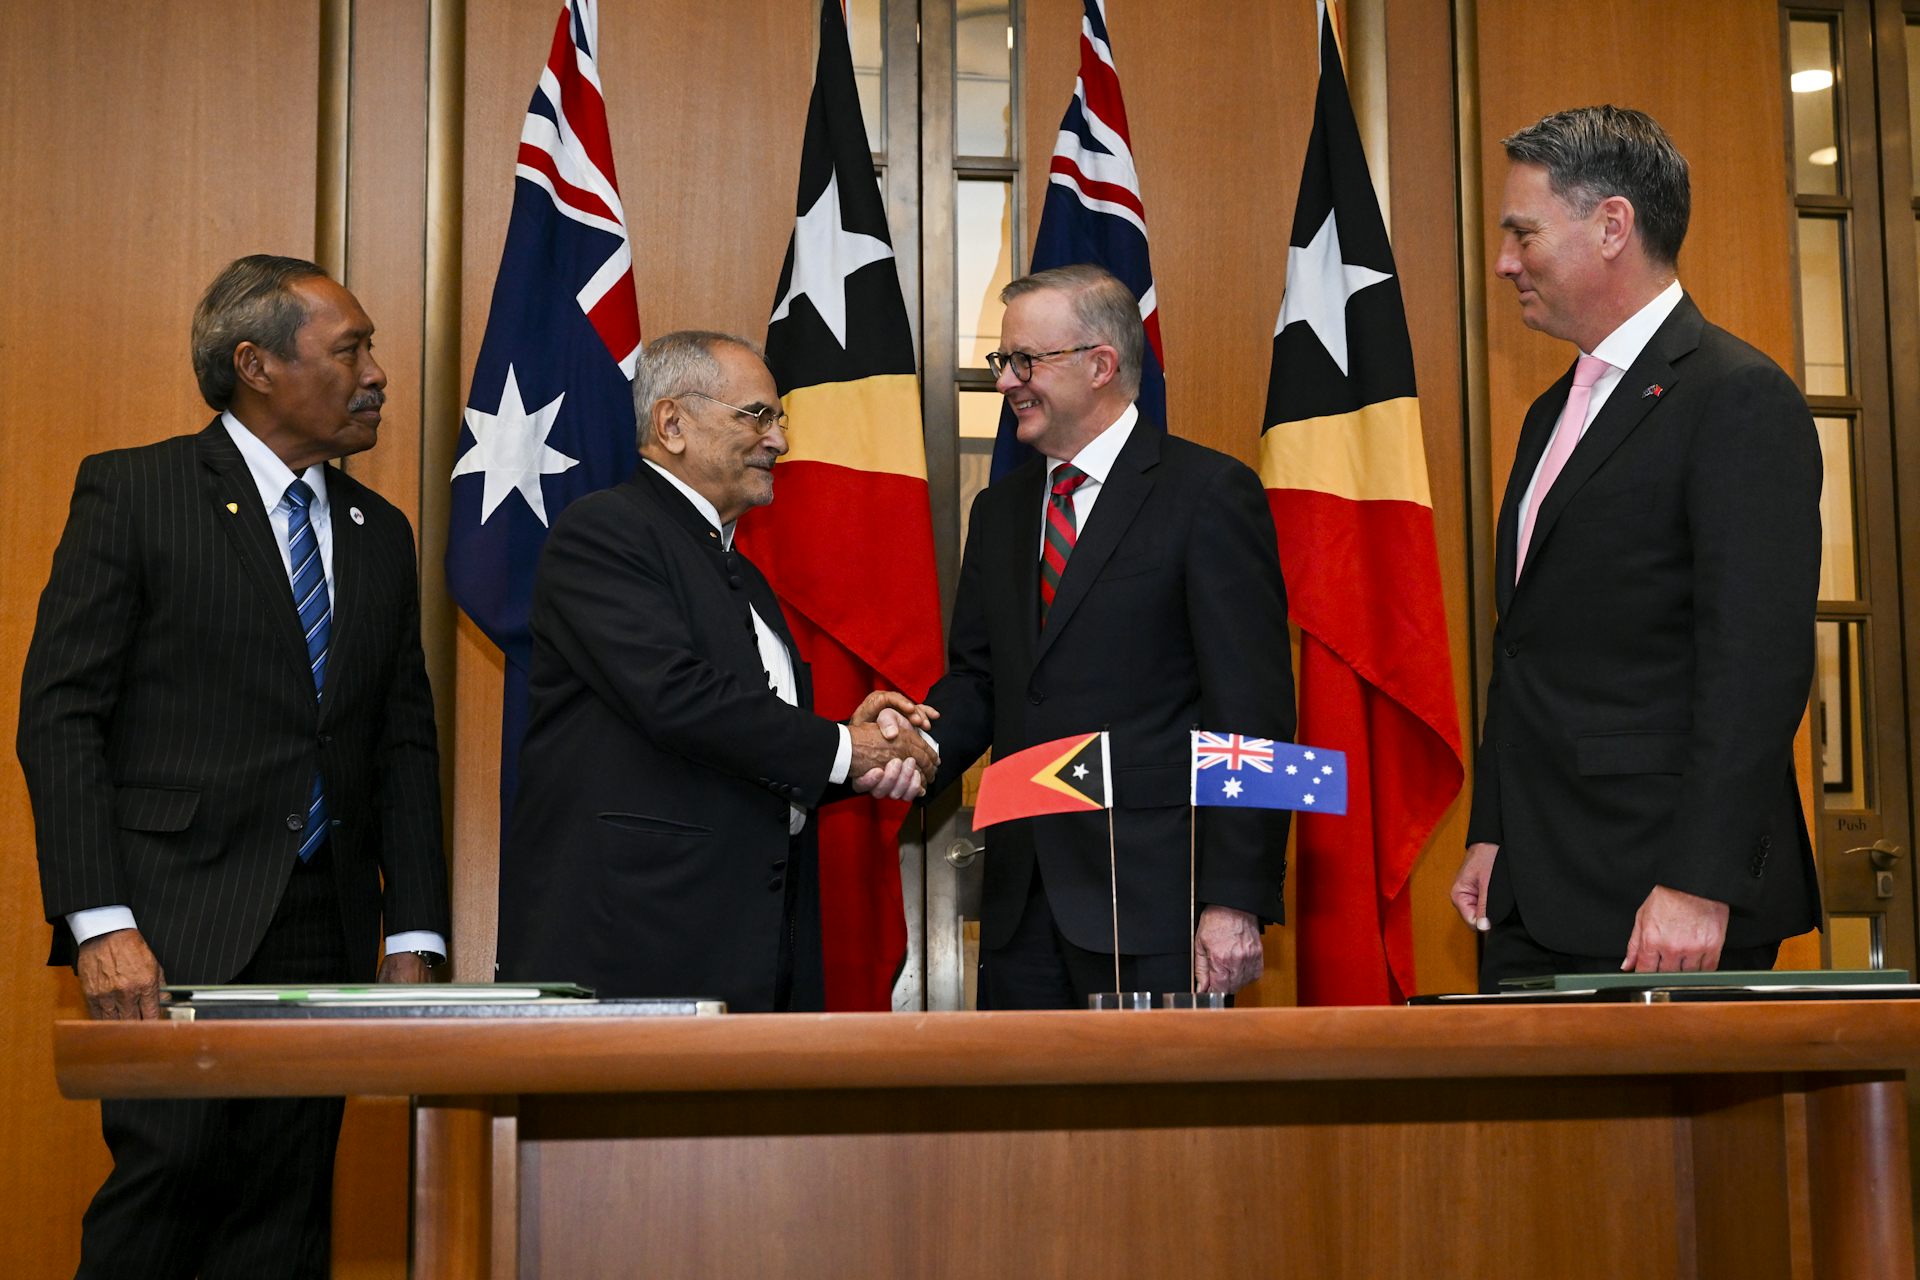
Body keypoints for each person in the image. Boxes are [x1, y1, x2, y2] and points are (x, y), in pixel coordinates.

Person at [17, 254, 450, 1278]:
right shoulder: (136, 489)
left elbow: (403, 741)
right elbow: (61, 712)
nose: (378, 371)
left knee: (286, 1216)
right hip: (174, 923)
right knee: (165, 1195)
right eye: (351, 350)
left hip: (326, 923)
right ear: (256, 363)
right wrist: (101, 922)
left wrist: (417, 931)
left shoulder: (377, 531)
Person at [1451, 106, 1822, 990]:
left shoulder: (1736, 397)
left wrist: (1700, 880)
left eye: (1523, 233)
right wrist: (1494, 828)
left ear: (1612, 225)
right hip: (1534, 887)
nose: (1504, 262)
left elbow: (1757, 666)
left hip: (1664, 895)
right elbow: (1528, 643)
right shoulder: (1552, 411)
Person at [495, 329, 936, 1012]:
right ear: (672, 423)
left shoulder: (743, 574)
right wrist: (848, 749)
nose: (779, 441)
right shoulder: (605, 532)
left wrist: (859, 749)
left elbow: (747, 742)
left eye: (779, 419)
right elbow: (678, 699)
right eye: (757, 416)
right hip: (639, 953)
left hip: (747, 948)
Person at [922, 265, 1294, 1009]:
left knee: (1160, 1125)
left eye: (1027, 361)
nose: (1007, 383)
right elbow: (979, 682)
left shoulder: (1208, 494)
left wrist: (1232, 901)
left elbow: (1251, 714)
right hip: (1020, 907)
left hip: (1155, 904)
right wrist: (907, 748)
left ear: (1101, 364)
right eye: (1004, 362)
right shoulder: (1000, 511)